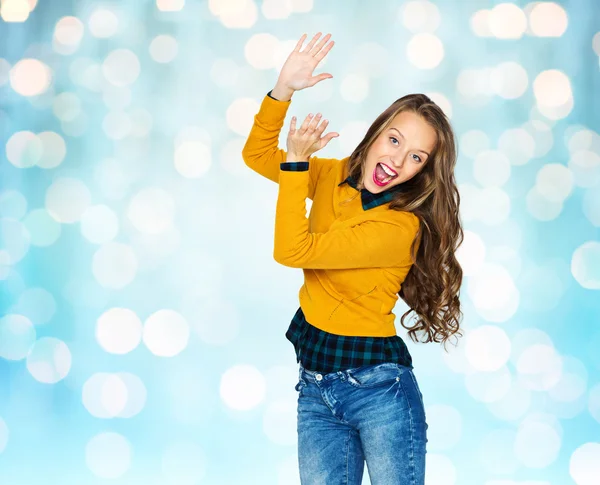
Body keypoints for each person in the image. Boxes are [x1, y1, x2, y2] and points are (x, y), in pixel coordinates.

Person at [242, 32, 464, 485]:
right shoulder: (333, 175)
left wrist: (297, 166)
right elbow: (257, 155)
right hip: (315, 386)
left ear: (423, 171)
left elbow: (291, 250)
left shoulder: (399, 227)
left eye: (417, 156)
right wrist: (282, 89)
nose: (398, 159)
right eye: (395, 140)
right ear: (376, 132)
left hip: (379, 390)